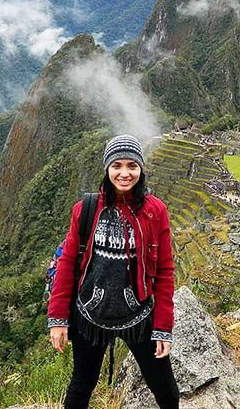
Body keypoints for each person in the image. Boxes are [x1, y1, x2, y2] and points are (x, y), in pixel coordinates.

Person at [47, 134, 179, 409]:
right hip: (90, 317)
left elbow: (165, 270)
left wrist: (162, 328)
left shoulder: (156, 211)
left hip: (139, 316)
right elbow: (68, 261)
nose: (124, 173)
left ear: (141, 169)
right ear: (107, 169)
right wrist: (58, 318)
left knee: (166, 390)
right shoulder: (86, 209)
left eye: (132, 165)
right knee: (81, 385)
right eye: (117, 165)